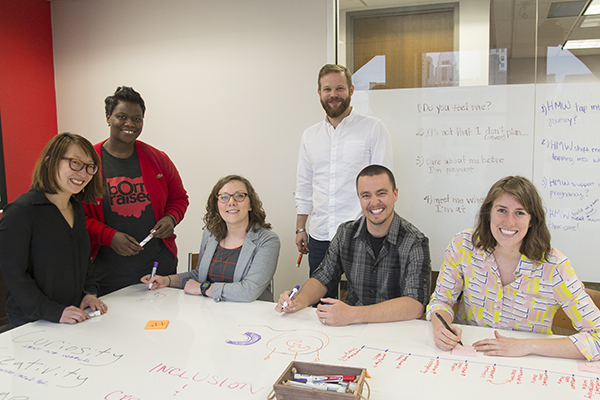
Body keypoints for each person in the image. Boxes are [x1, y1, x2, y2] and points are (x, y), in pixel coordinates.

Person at [427, 176, 600, 361]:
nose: (509, 222)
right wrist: (440, 328)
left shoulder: (555, 267)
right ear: (488, 213)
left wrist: (526, 345)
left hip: (526, 364)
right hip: (467, 355)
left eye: (520, 213)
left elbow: (597, 337)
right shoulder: (463, 246)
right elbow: (441, 301)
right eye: (502, 210)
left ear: (532, 220)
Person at [277, 165, 430, 326]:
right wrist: (300, 301)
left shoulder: (415, 241)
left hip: (395, 329)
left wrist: (353, 314)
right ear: (359, 198)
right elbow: (323, 277)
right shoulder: (346, 233)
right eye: (366, 195)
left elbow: (415, 305)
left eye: (381, 193)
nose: (374, 202)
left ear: (395, 194)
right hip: (351, 330)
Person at [295, 64, 393, 299]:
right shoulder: (310, 135)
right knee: (319, 304)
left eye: (339, 88)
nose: (333, 94)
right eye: (327, 89)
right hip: (320, 235)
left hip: (362, 233)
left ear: (350, 90)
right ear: (319, 93)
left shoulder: (373, 128)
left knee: (364, 302)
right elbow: (304, 184)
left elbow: (382, 187)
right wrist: (301, 227)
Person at [84, 86, 189, 296]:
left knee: (163, 326)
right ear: (108, 117)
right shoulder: (89, 162)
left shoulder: (158, 159)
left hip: (158, 271)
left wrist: (170, 219)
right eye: (121, 117)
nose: (129, 124)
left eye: (137, 119)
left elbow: (179, 198)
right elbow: (78, 216)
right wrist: (109, 236)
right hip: (108, 275)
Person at [0, 133, 107, 328]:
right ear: (49, 162)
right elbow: (14, 276)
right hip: (33, 321)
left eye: (90, 167)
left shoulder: (76, 208)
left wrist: (89, 292)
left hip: (72, 315)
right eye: (75, 163)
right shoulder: (20, 212)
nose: (83, 174)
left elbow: (84, 259)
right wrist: (54, 311)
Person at [142, 175, 280, 302]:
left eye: (239, 196)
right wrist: (167, 280)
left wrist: (203, 289)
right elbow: (199, 276)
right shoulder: (210, 234)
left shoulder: (267, 240)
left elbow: (249, 291)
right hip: (212, 315)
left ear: (250, 204)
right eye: (224, 197)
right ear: (217, 204)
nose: (231, 202)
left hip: (252, 319)